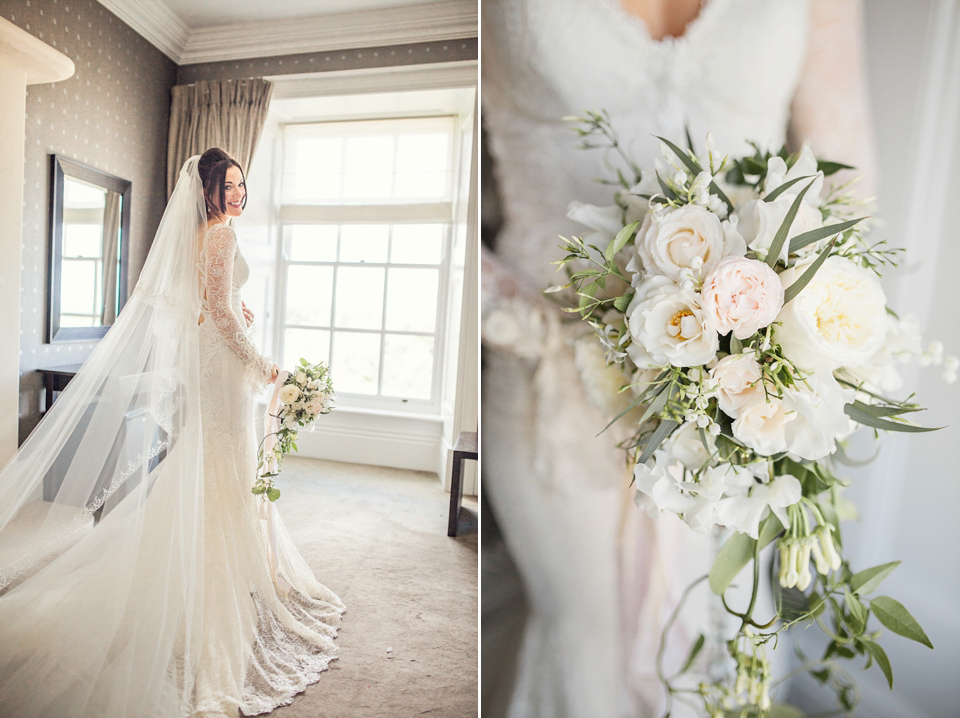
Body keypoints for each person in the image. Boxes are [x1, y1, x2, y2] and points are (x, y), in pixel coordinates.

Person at [480, 0, 876, 715]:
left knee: (724, 625)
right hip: (548, 367)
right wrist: (502, 309)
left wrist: (805, 340)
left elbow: (848, 180)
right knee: (583, 631)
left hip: (749, 383)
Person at [0, 149, 344, 717]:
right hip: (224, 368)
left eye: (241, 183)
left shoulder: (207, 234)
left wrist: (239, 306)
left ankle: (211, 577)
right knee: (224, 465)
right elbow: (218, 311)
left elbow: (212, 303)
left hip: (212, 359)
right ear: (208, 188)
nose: (237, 193)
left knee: (215, 464)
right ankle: (212, 595)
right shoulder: (221, 237)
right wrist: (264, 366)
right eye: (227, 184)